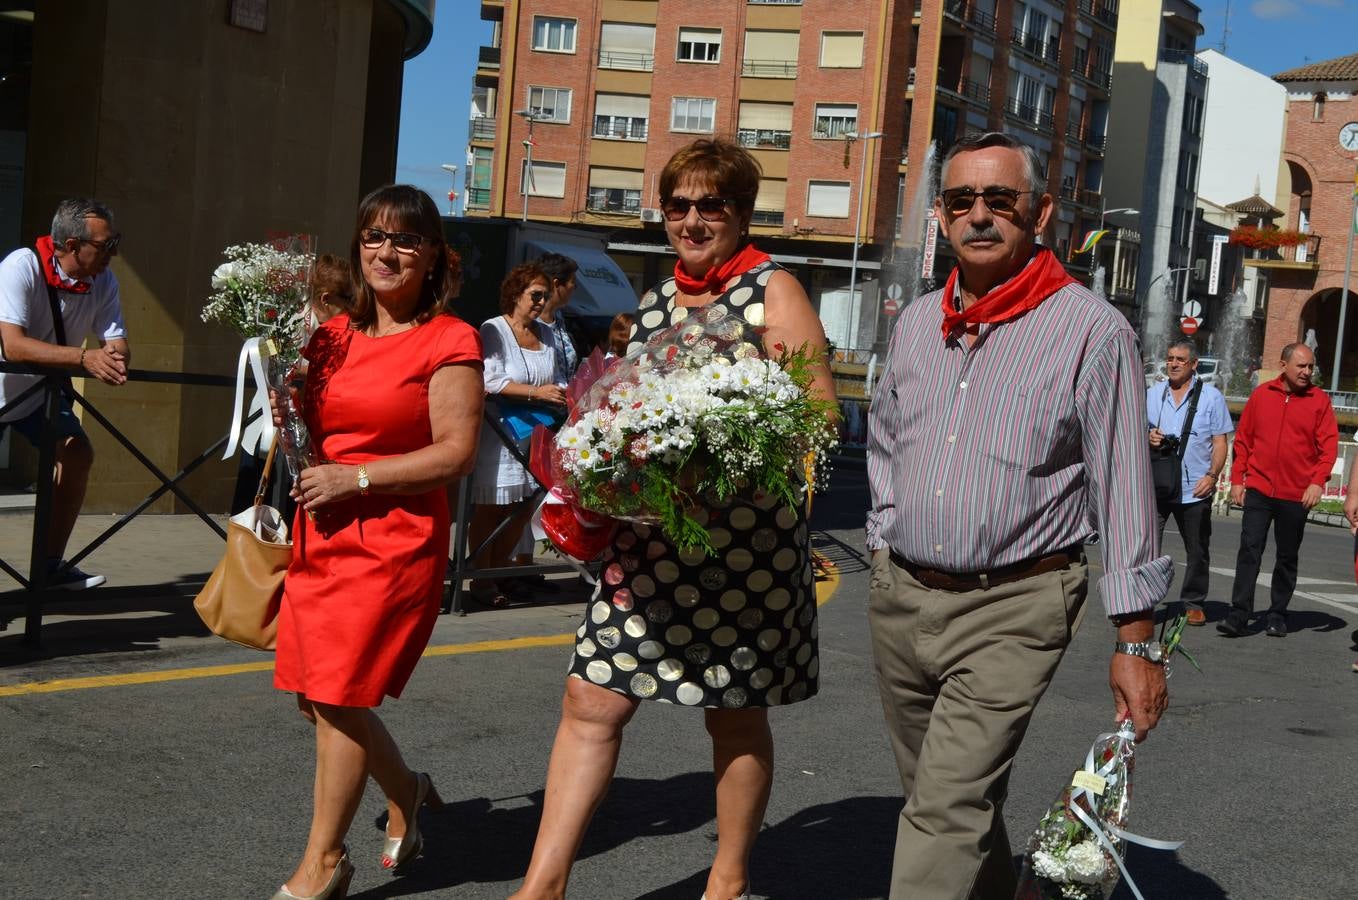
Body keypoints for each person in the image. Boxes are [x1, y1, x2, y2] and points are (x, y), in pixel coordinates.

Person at [511, 138, 836, 900]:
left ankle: (726, 879)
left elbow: (818, 418)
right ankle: (542, 886)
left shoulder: (773, 290)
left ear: (741, 213)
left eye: (711, 205)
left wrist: (721, 455)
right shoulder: (655, 302)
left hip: (742, 546)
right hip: (648, 540)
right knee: (591, 696)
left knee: (732, 713)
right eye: (679, 205)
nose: (692, 220)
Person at [865, 131, 1172, 900]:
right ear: (939, 214)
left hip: (1016, 602)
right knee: (943, 794)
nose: (979, 216)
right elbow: (882, 441)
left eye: (999, 200)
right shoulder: (914, 325)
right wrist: (884, 535)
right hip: (902, 596)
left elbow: (1125, 486)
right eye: (961, 200)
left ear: (1038, 212)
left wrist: (1140, 642)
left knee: (944, 807)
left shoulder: (1092, 331)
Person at [269, 184, 484, 900]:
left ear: (432, 257)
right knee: (317, 698)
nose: (386, 253)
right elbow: (312, 438)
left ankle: (322, 864)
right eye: (373, 238)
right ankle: (408, 791)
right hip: (321, 532)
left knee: (336, 695)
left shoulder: (451, 338)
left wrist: (356, 479)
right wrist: (287, 413)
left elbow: (455, 453)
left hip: (392, 538)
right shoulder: (329, 335)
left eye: (405, 240)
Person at [0, 198, 130, 590]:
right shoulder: (21, 266)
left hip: (40, 397)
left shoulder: (104, 280)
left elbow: (118, 343)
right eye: (107, 244)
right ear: (72, 245)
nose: (114, 252)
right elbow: (14, 347)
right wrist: (83, 358)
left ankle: (50, 567)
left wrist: (114, 357)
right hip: (3, 389)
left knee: (76, 454)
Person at [1218, 342, 1337, 639]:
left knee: (1286, 555)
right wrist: (1236, 478)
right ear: (1284, 366)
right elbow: (1244, 440)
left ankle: (1277, 614)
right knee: (1249, 550)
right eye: (1301, 366)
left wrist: (1317, 481)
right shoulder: (1261, 396)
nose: (1307, 372)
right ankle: (1239, 614)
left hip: (1296, 493)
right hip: (1259, 488)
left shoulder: (1319, 401)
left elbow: (1329, 447)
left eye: (1311, 366)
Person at [466, 263, 567, 608]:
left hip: (537, 431)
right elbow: (490, 380)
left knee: (524, 507)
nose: (541, 302)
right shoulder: (494, 329)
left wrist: (560, 393)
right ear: (515, 294)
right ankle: (480, 579)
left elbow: (557, 375)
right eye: (535, 295)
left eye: (545, 296)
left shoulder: (547, 334)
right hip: (503, 432)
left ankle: (496, 572)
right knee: (492, 508)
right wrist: (536, 394)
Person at [1147, 340, 1232, 626]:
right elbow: (1137, 429)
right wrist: (1149, 436)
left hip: (1195, 487)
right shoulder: (1154, 393)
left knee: (1197, 549)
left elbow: (1220, 442)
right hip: (1157, 485)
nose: (1173, 364)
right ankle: (1143, 602)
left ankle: (1193, 602)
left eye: (1180, 359)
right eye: (1170, 358)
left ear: (1194, 364)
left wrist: (1212, 476)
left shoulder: (1211, 397)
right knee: (1147, 548)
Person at [535, 251, 580, 384]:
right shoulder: (530, 324)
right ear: (556, 284)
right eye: (573, 282)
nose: (574, 288)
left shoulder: (559, 322)